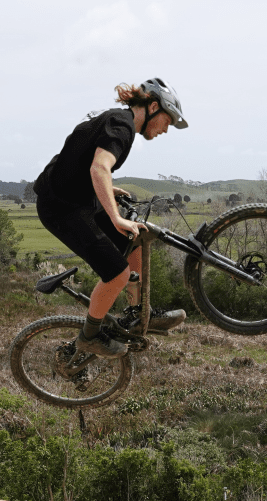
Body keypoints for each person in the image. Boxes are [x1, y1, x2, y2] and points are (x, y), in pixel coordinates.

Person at [31, 78, 188, 358]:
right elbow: (99, 167)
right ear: (152, 107)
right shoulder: (122, 125)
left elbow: (79, 159)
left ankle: (139, 313)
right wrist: (116, 217)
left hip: (78, 199)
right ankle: (89, 336)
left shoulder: (119, 122)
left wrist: (108, 189)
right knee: (117, 273)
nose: (167, 129)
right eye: (168, 120)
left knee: (135, 238)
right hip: (61, 209)